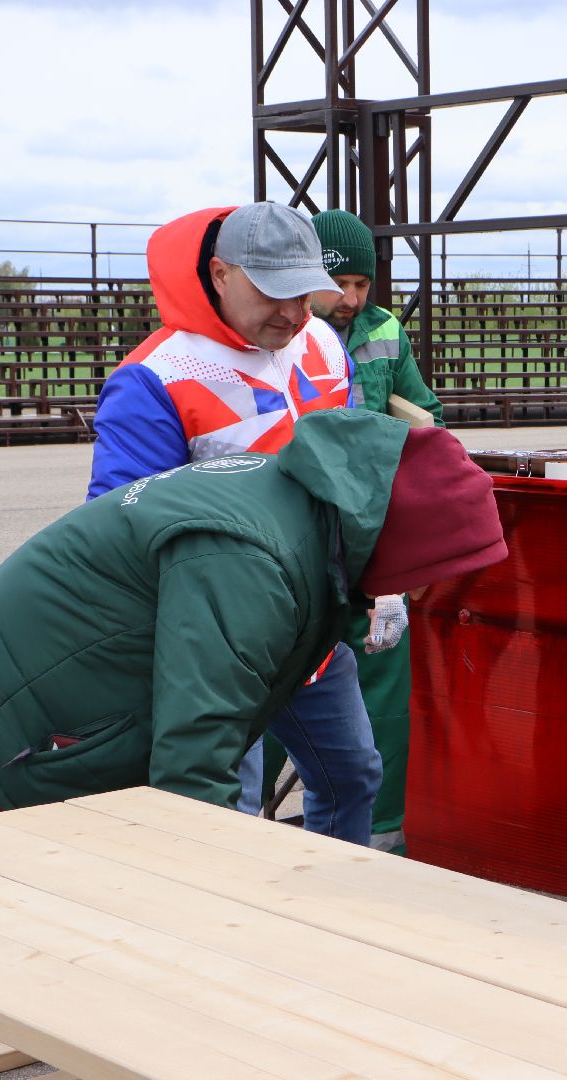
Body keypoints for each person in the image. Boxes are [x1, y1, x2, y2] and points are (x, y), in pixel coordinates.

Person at [0, 408, 508, 1080]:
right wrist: (205, 901)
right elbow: (197, 749)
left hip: (59, 682)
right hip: (19, 708)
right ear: (405, 537)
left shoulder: (304, 510)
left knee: (62, 925)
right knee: (24, 925)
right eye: (434, 567)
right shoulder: (252, 556)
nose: (425, 589)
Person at [85, 200, 388, 847]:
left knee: (353, 775)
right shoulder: (155, 378)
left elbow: (351, 470)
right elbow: (118, 534)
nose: (293, 312)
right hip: (215, 640)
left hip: (309, 625)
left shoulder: (323, 343)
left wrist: (380, 571)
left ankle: (333, 906)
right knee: (226, 811)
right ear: (220, 275)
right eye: (273, 292)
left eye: (303, 292)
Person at [248, 208, 445, 853]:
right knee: (276, 684)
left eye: (363, 284)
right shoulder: (285, 335)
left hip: (372, 538)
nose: (353, 299)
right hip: (302, 539)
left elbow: (425, 414)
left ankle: (379, 840)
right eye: (341, 284)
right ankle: (237, 825)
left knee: (383, 683)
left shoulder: (385, 330)